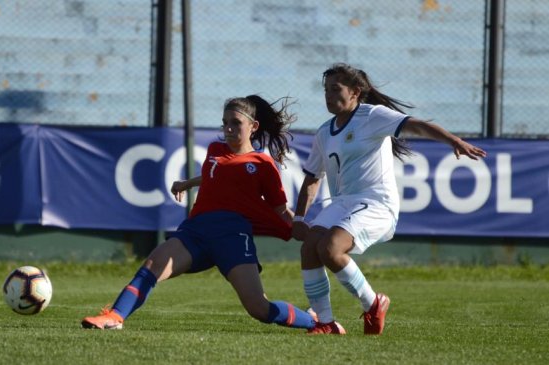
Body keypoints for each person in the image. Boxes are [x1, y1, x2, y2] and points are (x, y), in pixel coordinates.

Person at [82, 95, 318, 332]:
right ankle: (115, 316)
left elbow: (279, 209)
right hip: (196, 231)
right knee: (151, 267)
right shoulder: (215, 149)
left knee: (259, 308)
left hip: (232, 237)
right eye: (224, 122)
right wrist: (188, 183)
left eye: (235, 122)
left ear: (253, 126)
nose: (228, 128)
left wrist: (303, 229)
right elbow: (218, 175)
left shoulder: (263, 164)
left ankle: (314, 322)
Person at [292, 63, 487, 335]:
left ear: (356, 92)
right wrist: (299, 218)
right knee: (309, 247)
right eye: (325, 90)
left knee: (330, 248)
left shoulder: (372, 116)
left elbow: (415, 125)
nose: (328, 95)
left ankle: (372, 304)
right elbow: (313, 177)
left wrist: (453, 140)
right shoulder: (325, 132)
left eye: (335, 89)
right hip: (342, 203)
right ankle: (326, 323)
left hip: (375, 202)